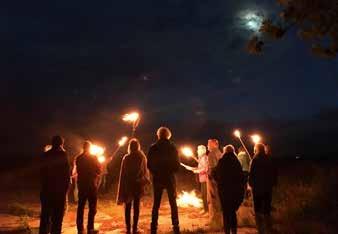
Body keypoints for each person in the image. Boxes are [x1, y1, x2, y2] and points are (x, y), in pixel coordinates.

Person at [147, 127, 180, 234]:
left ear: (158, 135)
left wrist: (155, 172)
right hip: (169, 178)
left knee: (156, 203)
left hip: (157, 178)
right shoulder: (172, 147)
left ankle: (153, 227)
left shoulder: (153, 148)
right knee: (173, 203)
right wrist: (171, 171)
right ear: (168, 135)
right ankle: (176, 226)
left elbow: (149, 164)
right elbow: (176, 164)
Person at [117, 139, 150, 234]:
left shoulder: (126, 158)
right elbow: (144, 171)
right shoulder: (141, 157)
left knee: (128, 206)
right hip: (137, 185)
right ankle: (134, 229)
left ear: (129, 147)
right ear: (138, 146)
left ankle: (128, 229)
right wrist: (142, 180)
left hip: (129, 185)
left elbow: (124, 174)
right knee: (136, 206)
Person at [39, 136, 70, 234]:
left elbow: (41, 172)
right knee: (57, 219)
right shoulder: (63, 155)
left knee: (45, 217)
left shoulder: (45, 155)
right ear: (61, 144)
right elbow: (66, 174)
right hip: (58, 193)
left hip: (46, 191)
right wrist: (65, 190)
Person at [213, 145, 244, 234]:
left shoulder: (221, 161)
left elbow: (215, 174)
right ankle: (234, 231)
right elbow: (241, 176)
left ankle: (227, 231)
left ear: (225, 151)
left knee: (226, 212)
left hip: (224, 190)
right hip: (235, 191)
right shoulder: (236, 162)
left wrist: (218, 181)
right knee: (232, 212)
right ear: (233, 151)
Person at [249, 143, 277, 234]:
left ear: (257, 150)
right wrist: (273, 183)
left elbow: (251, 174)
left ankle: (260, 229)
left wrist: (250, 184)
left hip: (257, 188)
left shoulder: (255, 160)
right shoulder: (269, 159)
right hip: (268, 188)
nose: (254, 151)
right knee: (267, 208)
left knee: (257, 209)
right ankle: (268, 227)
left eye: (254, 149)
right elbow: (274, 172)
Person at [76, 141, 101, 234]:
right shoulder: (94, 158)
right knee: (92, 207)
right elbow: (99, 170)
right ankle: (90, 228)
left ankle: (80, 228)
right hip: (91, 186)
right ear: (89, 148)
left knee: (80, 207)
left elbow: (78, 171)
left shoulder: (78, 158)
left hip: (82, 185)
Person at [185, 145, 208, 214]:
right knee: (203, 195)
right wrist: (191, 168)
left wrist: (196, 171)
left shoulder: (204, 158)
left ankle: (207, 210)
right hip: (202, 179)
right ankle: (205, 209)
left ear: (202, 151)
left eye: (198, 150)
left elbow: (205, 168)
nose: (197, 151)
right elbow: (201, 167)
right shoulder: (201, 158)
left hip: (205, 179)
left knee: (205, 195)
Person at [206, 139, 223, 228]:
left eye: (208, 144)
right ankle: (220, 222)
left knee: (213, 202)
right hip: (219, 181)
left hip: (213, 181)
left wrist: (209, 175)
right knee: (218, 201)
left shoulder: (212, 154)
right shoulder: (220, 153)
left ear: (213, 144)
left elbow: (212, 169)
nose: (207, 146)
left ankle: (215, 223)